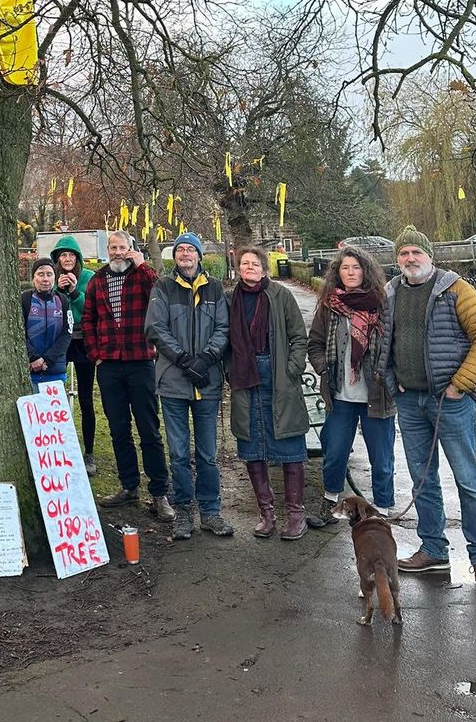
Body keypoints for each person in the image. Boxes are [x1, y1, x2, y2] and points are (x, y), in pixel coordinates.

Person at [376, 225, 476, 590]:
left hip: (451, 403)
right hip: (410, 402)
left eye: (416, 252)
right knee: (422, 479)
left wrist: (460, 385)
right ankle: (433, 549)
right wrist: (390, 381)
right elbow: (381, 343)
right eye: (404, 254)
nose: (410, 259)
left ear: (429, 256)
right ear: (396, 259)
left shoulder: (455, 289)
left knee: (469, 480)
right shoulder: (391, 292)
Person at [145, 232, 233, 540]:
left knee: (207, 453)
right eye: (180, 250)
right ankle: (184, 511)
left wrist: (206, 359)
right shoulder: (163, 287)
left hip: (206, 383)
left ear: (198, 255)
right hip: (173, 382)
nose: (185, 254)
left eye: (190, 250)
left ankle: (210, 510)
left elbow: (224, 327)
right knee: (179, 453)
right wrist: (184, 360)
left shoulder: (215, 288)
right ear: (175, 256)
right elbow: (155, 327)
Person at [82, 231, 174, 522]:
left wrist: (142, 264)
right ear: (107, 250)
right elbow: (88, 319)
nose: (118, 252)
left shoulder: (142, 276)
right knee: (118, 428)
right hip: (109, 364)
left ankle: (159, 492)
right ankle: (128, 485)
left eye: (123, 247)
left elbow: (159, 295)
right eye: (113, 247)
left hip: (140, 361)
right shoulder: (97, 280)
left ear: (131, 249)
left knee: (149, 429)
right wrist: (95, 353)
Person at [305, 245, 395, 527]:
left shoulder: (383, 304)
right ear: (338, 273)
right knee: (335, 453)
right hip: (340, 395)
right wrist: (323, 368)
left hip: (376, 395)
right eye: (345, 268)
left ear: (365, 271)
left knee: (381, 458)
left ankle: (382, 509)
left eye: (356, 267)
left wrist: (388, 375)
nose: (351, 272)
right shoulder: (330, 306)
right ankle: (332, 502)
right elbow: (315, 344)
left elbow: (395, 345)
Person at [228, 246, 310, 540]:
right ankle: (266, 514)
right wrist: (229, 371)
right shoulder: (230, 299)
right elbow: (223, 339)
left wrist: (292, 368)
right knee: (252, 445)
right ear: (239, 269)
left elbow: (299, 336)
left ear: (264, 268)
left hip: (278, 375)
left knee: (289, 445)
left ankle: (296, 514)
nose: (249, 267)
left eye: (254, 263)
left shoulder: (280, 295)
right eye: (244, 263)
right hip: (244, 376)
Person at [51, 235, 97, 473]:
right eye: (63, 255)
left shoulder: (88, 278)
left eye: (71, 255)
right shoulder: (53, 277)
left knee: (86, 398)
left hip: (83, 341)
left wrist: (74, 292)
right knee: (56, 394)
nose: (67, 259)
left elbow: (90, 309)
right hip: (62, 340)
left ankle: (89, 452)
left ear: (77, 258)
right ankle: (57, 448)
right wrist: (58, 290)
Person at [20, 258, 72, 392]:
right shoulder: (25, 299)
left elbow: (67, 333)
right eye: (40, 274)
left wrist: (47, 360)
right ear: (33, 278)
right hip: (29, 372)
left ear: (54, 277)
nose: (45, 279)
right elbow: (18, 332)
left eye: (49, 274)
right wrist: (33, 357)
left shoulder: (63, 300)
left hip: (56, 371)